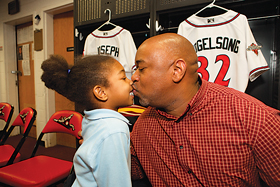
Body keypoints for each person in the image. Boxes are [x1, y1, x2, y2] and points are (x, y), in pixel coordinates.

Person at [130, 33, 280, 186]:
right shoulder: (144, 125)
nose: (134, 77)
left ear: (177, 70)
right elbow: (123, 169)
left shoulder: (255, 118)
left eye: (141, 68)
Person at [41, 54, 133, 187]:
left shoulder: (92, 117)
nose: (130, 81)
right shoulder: (114, 129)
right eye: (123, 78)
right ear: (101, 92)